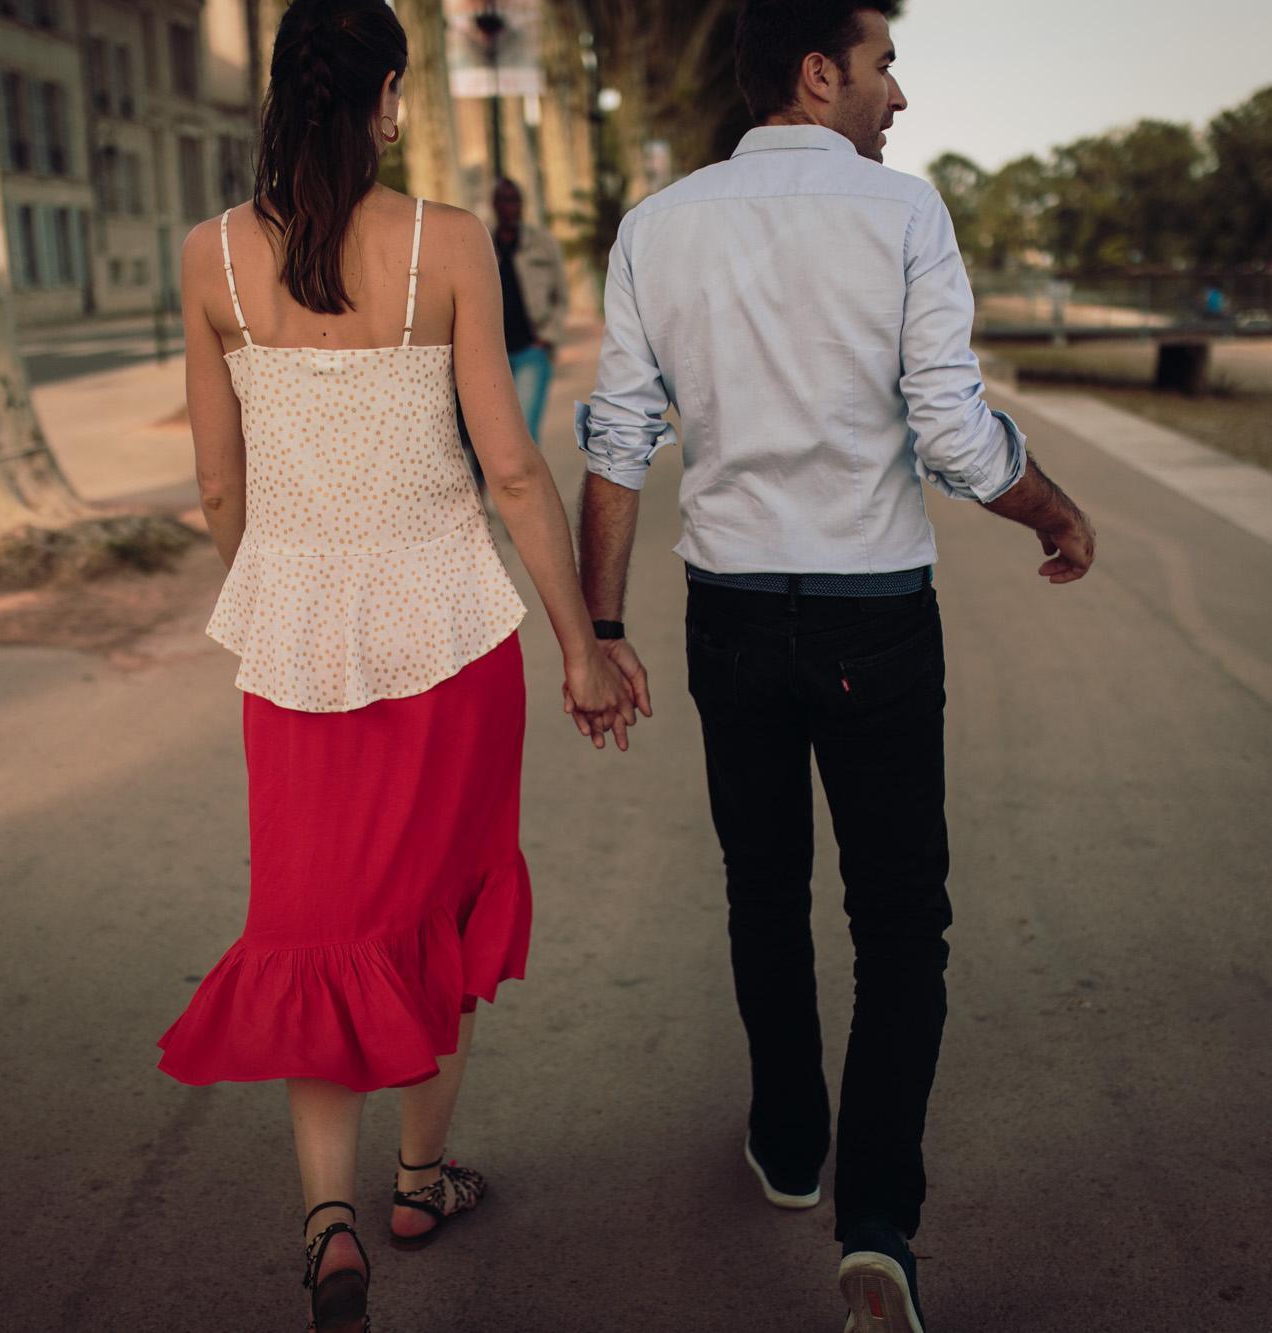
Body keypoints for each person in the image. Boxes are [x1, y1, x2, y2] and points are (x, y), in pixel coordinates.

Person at [573, 3, 1095, 1330]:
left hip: (730, 613)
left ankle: (791, 1145)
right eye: (884, 66)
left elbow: (621, 439)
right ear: (820, 73)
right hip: (873, 614)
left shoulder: (659, 226)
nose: (900, 97)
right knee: (901, 920)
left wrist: (606, 626)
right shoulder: (902, 214)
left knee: (764, 888)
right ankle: (877, 1225)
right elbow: (954, 431)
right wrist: (1052, 509)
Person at [155, 3, 636, 1330]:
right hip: (451, 633)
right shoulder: (451, 245)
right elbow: (517, 468)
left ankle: (329, 1226)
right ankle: (421, 1179)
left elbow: (215, 480)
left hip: (296, 644)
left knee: (315, 923)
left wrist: (282, 588)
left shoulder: (209, 260)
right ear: (380, 99)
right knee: (444, 907)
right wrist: (584, 645)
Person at [490, 177, 569, 443]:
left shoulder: (541, 243)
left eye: (514, 200)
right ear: (495, 205)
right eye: (503, 200)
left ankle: (525, 485)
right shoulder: (483, 244)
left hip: (531, 350)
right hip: (493, 354)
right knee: (495, 433)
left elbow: (561, 293)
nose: (510, 207)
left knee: (524, 432)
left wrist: (547, 338)